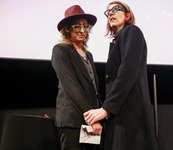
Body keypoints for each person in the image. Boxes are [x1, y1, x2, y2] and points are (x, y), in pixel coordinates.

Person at [84, 1, 157, 150]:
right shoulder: (118, 39)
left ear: (128, 15)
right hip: (121, 110)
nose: (110, 13)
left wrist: (106, 109)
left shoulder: (132, 31)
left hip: (130, 112)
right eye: (108, 12)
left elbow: (127, 71)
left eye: (116, 9)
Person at [51, 5, 103, 150]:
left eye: (85, 26)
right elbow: (72, 87)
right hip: (71, 120)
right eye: (77, 26)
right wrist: (92, 119)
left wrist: (96, 117)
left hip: (90, 119)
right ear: (67, 29)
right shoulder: (61, 50)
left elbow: (93, 89)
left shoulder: (88, 55)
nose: (82, 30)